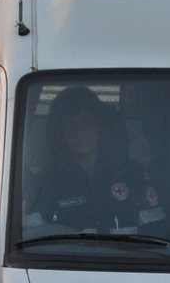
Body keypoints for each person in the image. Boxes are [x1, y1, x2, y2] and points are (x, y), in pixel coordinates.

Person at [23, 86, 148, 232]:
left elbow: (157, 235)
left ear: (100, 126)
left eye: (85, 123)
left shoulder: (134, 176)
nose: (78, 132)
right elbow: (32, 240)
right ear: (60, 133)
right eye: (70, 125)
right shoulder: (44, 186)